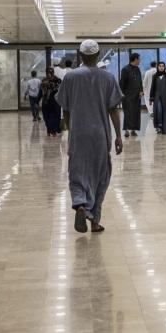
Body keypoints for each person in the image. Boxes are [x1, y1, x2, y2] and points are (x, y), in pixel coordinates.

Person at [55, 40, 123, 234]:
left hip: (78, 133)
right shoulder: (108, 78)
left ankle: (80, 204)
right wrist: (118, 136)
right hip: (100, 134)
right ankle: (94, 220)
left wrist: (71, 130)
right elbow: (114, 110)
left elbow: (65, 109)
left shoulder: (70, 77)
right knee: (101, 175)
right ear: (98, 55)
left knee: (77, 172)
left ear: (81, 55)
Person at [118, 53, 143, 137]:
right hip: (127, 96)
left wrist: (141, 91)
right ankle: (126, 130)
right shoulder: (125, 69)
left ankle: (133, 130)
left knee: (136, 113)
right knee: (128, 113)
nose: (140, 61)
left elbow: (140, 81)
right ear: (135, 59)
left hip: (137, 96)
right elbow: (122, 83)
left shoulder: (137, 69)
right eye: (139, 59)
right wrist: (121, 95)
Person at [149, 62, 166, 134]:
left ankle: (165, 128)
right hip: (157, 97)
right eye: (160, 66)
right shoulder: (155, 76)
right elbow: (152, 87)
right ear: (157, 67)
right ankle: (159, 127)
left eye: (163, 66)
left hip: (165, 97)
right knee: (158, 111)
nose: (161, 67)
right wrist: (151, 98)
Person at [41, 67, 63, 136]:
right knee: (46, 116)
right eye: (48, 72)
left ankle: (53, 131)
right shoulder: (44, 80)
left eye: (51, 72)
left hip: (54, 101)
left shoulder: (57, 80)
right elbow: (42, 90)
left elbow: (59, 89)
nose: (49, 74)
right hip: (46, 101)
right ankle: (49, 130)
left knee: (54, 116)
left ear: (53, 72)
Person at [142, 61, 157, 127]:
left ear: (150, 65)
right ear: (156, 65)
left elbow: (145, 82)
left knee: (149, 101)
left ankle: (151, 113)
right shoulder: (158, 71)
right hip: (157, 89)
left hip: (149, 90)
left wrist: (143, 90)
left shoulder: (147, 72)